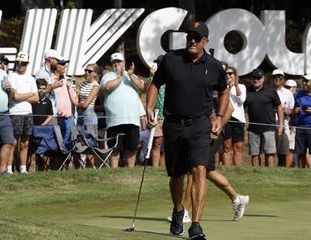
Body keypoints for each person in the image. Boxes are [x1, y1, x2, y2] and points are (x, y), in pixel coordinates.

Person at [146, 21, 228, 239]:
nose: (192, 40)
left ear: (206, 41)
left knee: (199, 170)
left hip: (200, 125)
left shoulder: (215, 66)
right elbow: (155, 84)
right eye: (189, 36)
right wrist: (149, 107)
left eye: (197, 37)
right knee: (176, 175)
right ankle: (178, 210)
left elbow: (223, 92)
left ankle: (196, 225)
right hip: (173, 124)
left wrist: (219, 117)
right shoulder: (172, 59)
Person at [100, 52, 144, 168]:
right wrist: (121, 77)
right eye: (114, 62)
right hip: (114, 120)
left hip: (132, 119)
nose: (116, 64)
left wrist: (130, 75)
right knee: (115, 149)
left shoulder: (130, 75)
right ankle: (114, 173)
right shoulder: (107, 76)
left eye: (119, 61)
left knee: (131, 148)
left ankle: (130, 172)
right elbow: (108, 87)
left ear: (124, 63)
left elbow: (141, 87)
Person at [7, 51, 39, 174]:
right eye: (19, 62)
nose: (21, 65)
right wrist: (30, 93)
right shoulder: (11, 76)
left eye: (24, 63)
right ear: (16, 63)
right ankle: (9, 169)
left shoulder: (31, 78)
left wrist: (23, 96)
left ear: (27, 64)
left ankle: (23, 168)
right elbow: (15, 97)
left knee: (25, 143)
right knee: (13, 142)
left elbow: (36, 98)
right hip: (15, 112)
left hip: (27, 113)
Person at [245, 68, 283, 167]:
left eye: (259, 78)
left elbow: (279, 107)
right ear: (251, 78)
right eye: (254, 78)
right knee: (254, 154)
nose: (256, 80)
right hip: (253, 128)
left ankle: (270, 175)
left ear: (263, 78)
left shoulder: (270, 90)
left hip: (269, 127)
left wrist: (281, 125)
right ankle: (255, 175)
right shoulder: (247, 90)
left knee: (269, 153)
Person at [221, 66, 246, 166]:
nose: (228, 75)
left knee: (238, 146)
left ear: (235, 76)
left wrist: (235, 86)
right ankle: (227, 169)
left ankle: (238, 169)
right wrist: (228, 87)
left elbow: (241, 99)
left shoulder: (242, 86)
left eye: (230, 73)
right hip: (226, 119)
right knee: (226, 146)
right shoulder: (222, 86)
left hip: (238, 119)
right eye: (226, 73)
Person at [272, 69, 295, 167]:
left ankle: (280, 172)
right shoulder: (268, 90)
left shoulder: (288, 93)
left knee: (282, 153)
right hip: (269, 125)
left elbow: (291, 110)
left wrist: (282, 110)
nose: (277, 79)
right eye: (275, 77)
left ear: (283, 79)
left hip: (283, 125)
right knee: (269, 152)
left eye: (280, 77)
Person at [35, 49, 63, 118]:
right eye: (56, 60)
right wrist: (53, 87)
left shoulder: (50, 72)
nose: (57, 62)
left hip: (52, 112)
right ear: (50, 59)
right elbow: (40, 93)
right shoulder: (41, 73)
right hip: (45, 113)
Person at [284, 79, 298, 167]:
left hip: (295, 126)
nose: (289, 89)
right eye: (287, 87)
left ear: (295, 88)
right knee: (289, 148)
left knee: (292, 149)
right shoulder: (285, 96)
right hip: (288, 126)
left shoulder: (297, 97)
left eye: (290, 87)